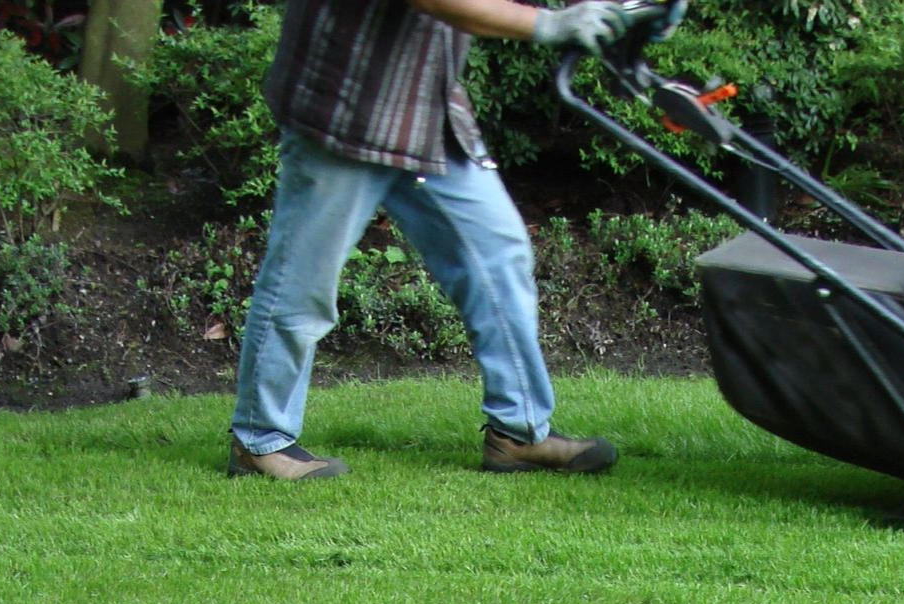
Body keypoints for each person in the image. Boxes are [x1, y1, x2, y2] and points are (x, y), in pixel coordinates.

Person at [230, 0, 630, 480]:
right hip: (345, 110)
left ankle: (519, 432)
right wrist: (550, 24)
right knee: (302, 280)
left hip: (425, 112)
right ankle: (260, 440)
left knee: (497, 253)